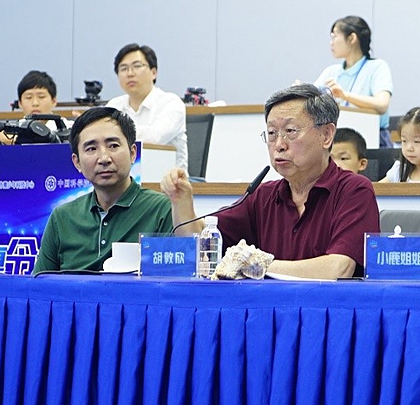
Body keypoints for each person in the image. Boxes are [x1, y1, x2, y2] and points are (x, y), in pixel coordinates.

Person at [161, 84, 380, 279]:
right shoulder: (263, 196)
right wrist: (182, 202)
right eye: (272, 133)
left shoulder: (354, 190)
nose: (279, 145)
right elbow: (201, 245)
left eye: (290, 131)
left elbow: (339, 268)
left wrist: (259, 265)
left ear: (326, 135)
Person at [32, 107, 175, 274]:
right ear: (77, 162)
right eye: (91, 149)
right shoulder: (62, 217)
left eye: (113, 146)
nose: (104, 158)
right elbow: (39, 283)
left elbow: (178, 277)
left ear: (132, 153)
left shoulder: (161, 209)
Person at [313, 16, 394, 148]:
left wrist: (344, 95)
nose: (331, 42)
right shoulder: (331, 71)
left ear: (352, 38)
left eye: (334, 36)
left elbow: (382, 104)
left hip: (372, 139)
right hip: (336, 140)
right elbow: (312, 100)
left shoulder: (377, 67)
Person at [106, 43, 188, 171]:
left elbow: (155, 137)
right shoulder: (114, 105)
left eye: (137, 66)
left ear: (153, 72)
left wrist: (113, 132)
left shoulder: (171, 103)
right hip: (123, 179)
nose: (130, 73)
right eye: (123, 68)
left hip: (167, 180)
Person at [0, 70, 72, 144]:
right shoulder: (9, 130)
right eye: (28, 97)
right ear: (20, 103)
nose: (35, 103)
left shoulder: (70, 127)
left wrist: (14, 139)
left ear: (54, 101)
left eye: (41, 97)